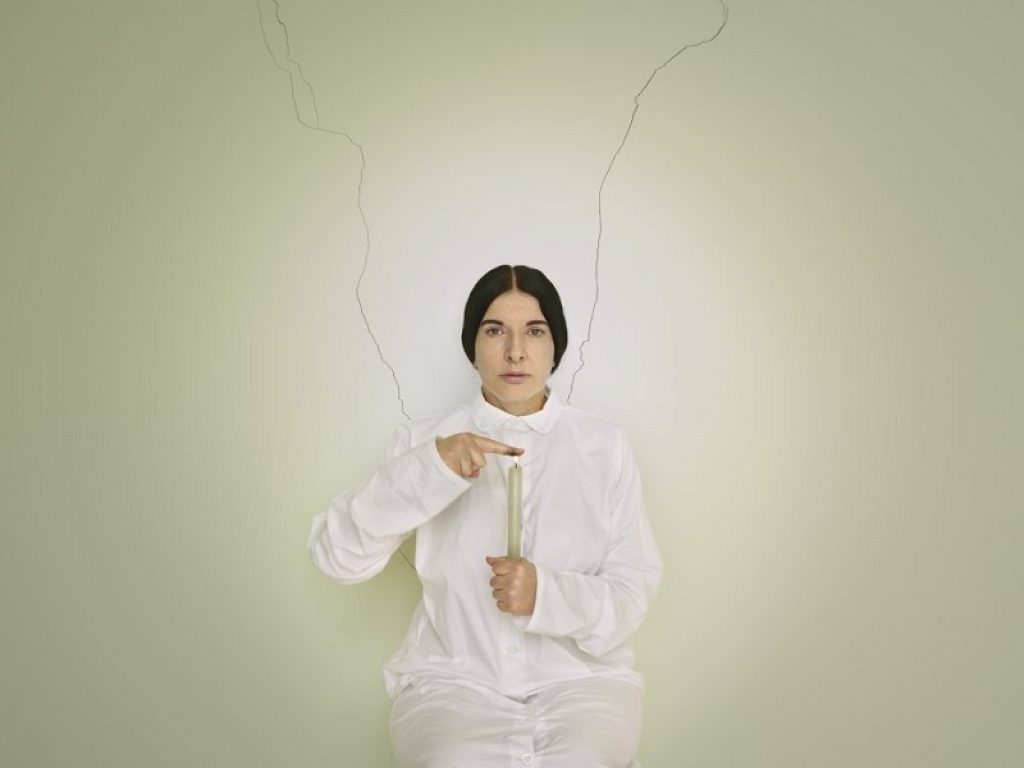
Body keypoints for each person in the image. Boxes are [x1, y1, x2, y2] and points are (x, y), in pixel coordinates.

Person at [309, 264, 662, 767]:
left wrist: (547, 594)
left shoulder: (605, 447)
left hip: (582, 687)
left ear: (555, 346)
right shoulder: (422, 441)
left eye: (534, 332)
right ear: (471, 345)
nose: (515, 351)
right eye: (495, 330)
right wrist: (432, 469)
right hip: (452, 684)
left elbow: (632, 592)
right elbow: (336, 557)